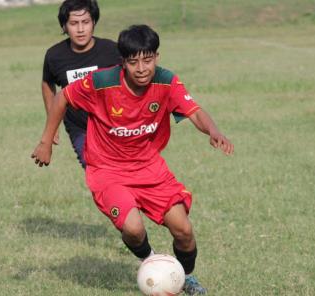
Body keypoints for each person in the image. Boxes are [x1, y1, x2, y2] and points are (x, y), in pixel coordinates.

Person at [32, 24, 234, 295]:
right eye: (133, 62)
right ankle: (152, 260)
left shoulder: (167, 81)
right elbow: (62, 98)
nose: (141, 68)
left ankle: (183, 277)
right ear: (123, 62)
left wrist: (213, 130)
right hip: (107, 171)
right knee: (134, 229)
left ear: (157, 57)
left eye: (147, 60)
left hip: (149, 168)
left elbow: (194, 111)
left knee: (184, 230)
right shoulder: (102, 82)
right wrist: (46, 141)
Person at [41, 0, 120, 168]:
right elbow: (47, 84)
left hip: (115, 124)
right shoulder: (54, 56)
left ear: (94, 23)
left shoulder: (112, 50)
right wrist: (52, 123)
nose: (80, 29)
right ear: (64, 26)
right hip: (80, 128)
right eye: (74, 23)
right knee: (93, 167)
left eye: (86, 22)